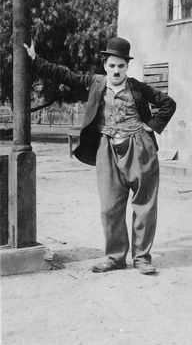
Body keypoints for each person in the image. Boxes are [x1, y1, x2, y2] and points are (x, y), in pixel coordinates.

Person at [24, 37, 176, 275]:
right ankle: (115, 257)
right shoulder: (96, 83)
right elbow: (66, 75)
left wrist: (152, 125)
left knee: (144, 205)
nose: (116, 71)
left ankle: (142, 258)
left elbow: (168, 103)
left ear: (127, 67)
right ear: (105, 65)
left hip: (139, 149)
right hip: (107, 148)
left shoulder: (137, 88)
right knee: (109, 206)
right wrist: (36, 60)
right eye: (112, 66)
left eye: (121, 66)